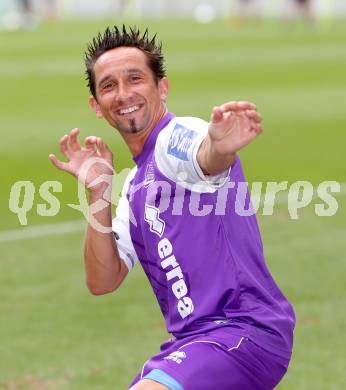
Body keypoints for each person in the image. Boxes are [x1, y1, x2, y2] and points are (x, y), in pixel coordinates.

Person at [49, 26, 295, 390]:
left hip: (241, 331)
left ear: (161, 87)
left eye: (135, 79)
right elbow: (102, 281)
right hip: (193, 343)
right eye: (108, 85)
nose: (123, 94)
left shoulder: (175, 138)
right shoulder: (133, 185)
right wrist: (100, 193)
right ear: (96, 105)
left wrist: (218, 147)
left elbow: (201, 155)